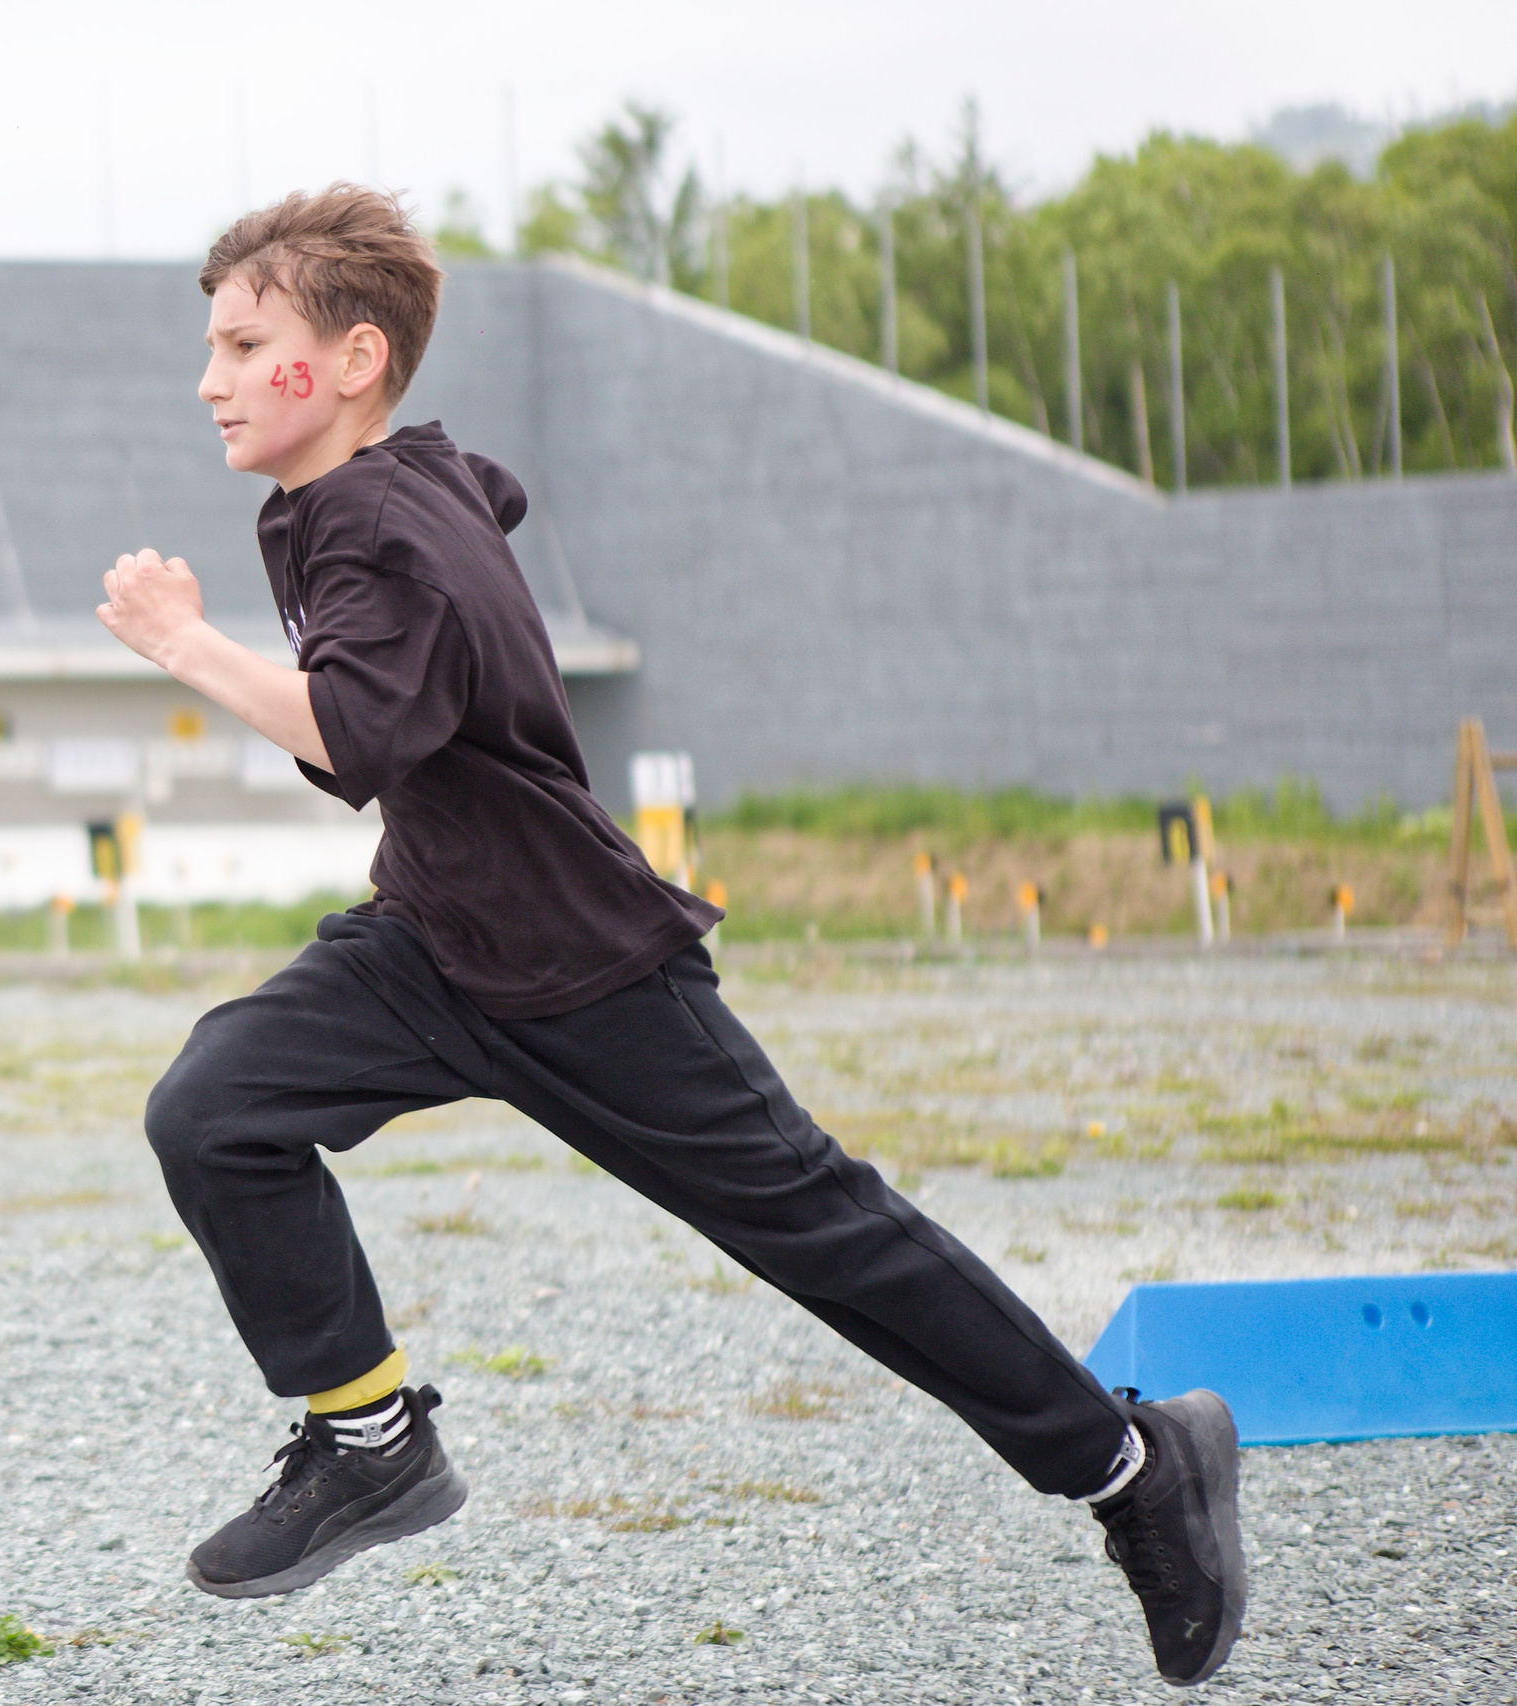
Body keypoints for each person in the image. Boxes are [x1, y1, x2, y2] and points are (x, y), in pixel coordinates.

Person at [94, 184, 1245, 1688]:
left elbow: (359, 731)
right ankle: (369, 1436)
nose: (213, 378)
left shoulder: (380, 518)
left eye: (247, 343)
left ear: (355, 357)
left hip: (579, 961)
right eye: (214, 346)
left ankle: (1133, 1465)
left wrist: (188, 647)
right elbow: (388, 707)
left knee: (825, 1230)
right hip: (435, 935)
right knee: (218, 1104)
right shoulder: (353, 503)